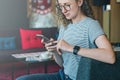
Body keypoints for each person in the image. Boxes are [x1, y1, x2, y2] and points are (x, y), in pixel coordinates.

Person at [16, 0, 115, 80]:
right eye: (61, 6)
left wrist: (70, 48)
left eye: (67, 5)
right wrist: (54, 51)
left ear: (80, 2)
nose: (63, 10)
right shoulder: (64, 27)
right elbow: (62, 64)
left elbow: (110, 57)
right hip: (63, 75)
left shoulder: (91, 25)